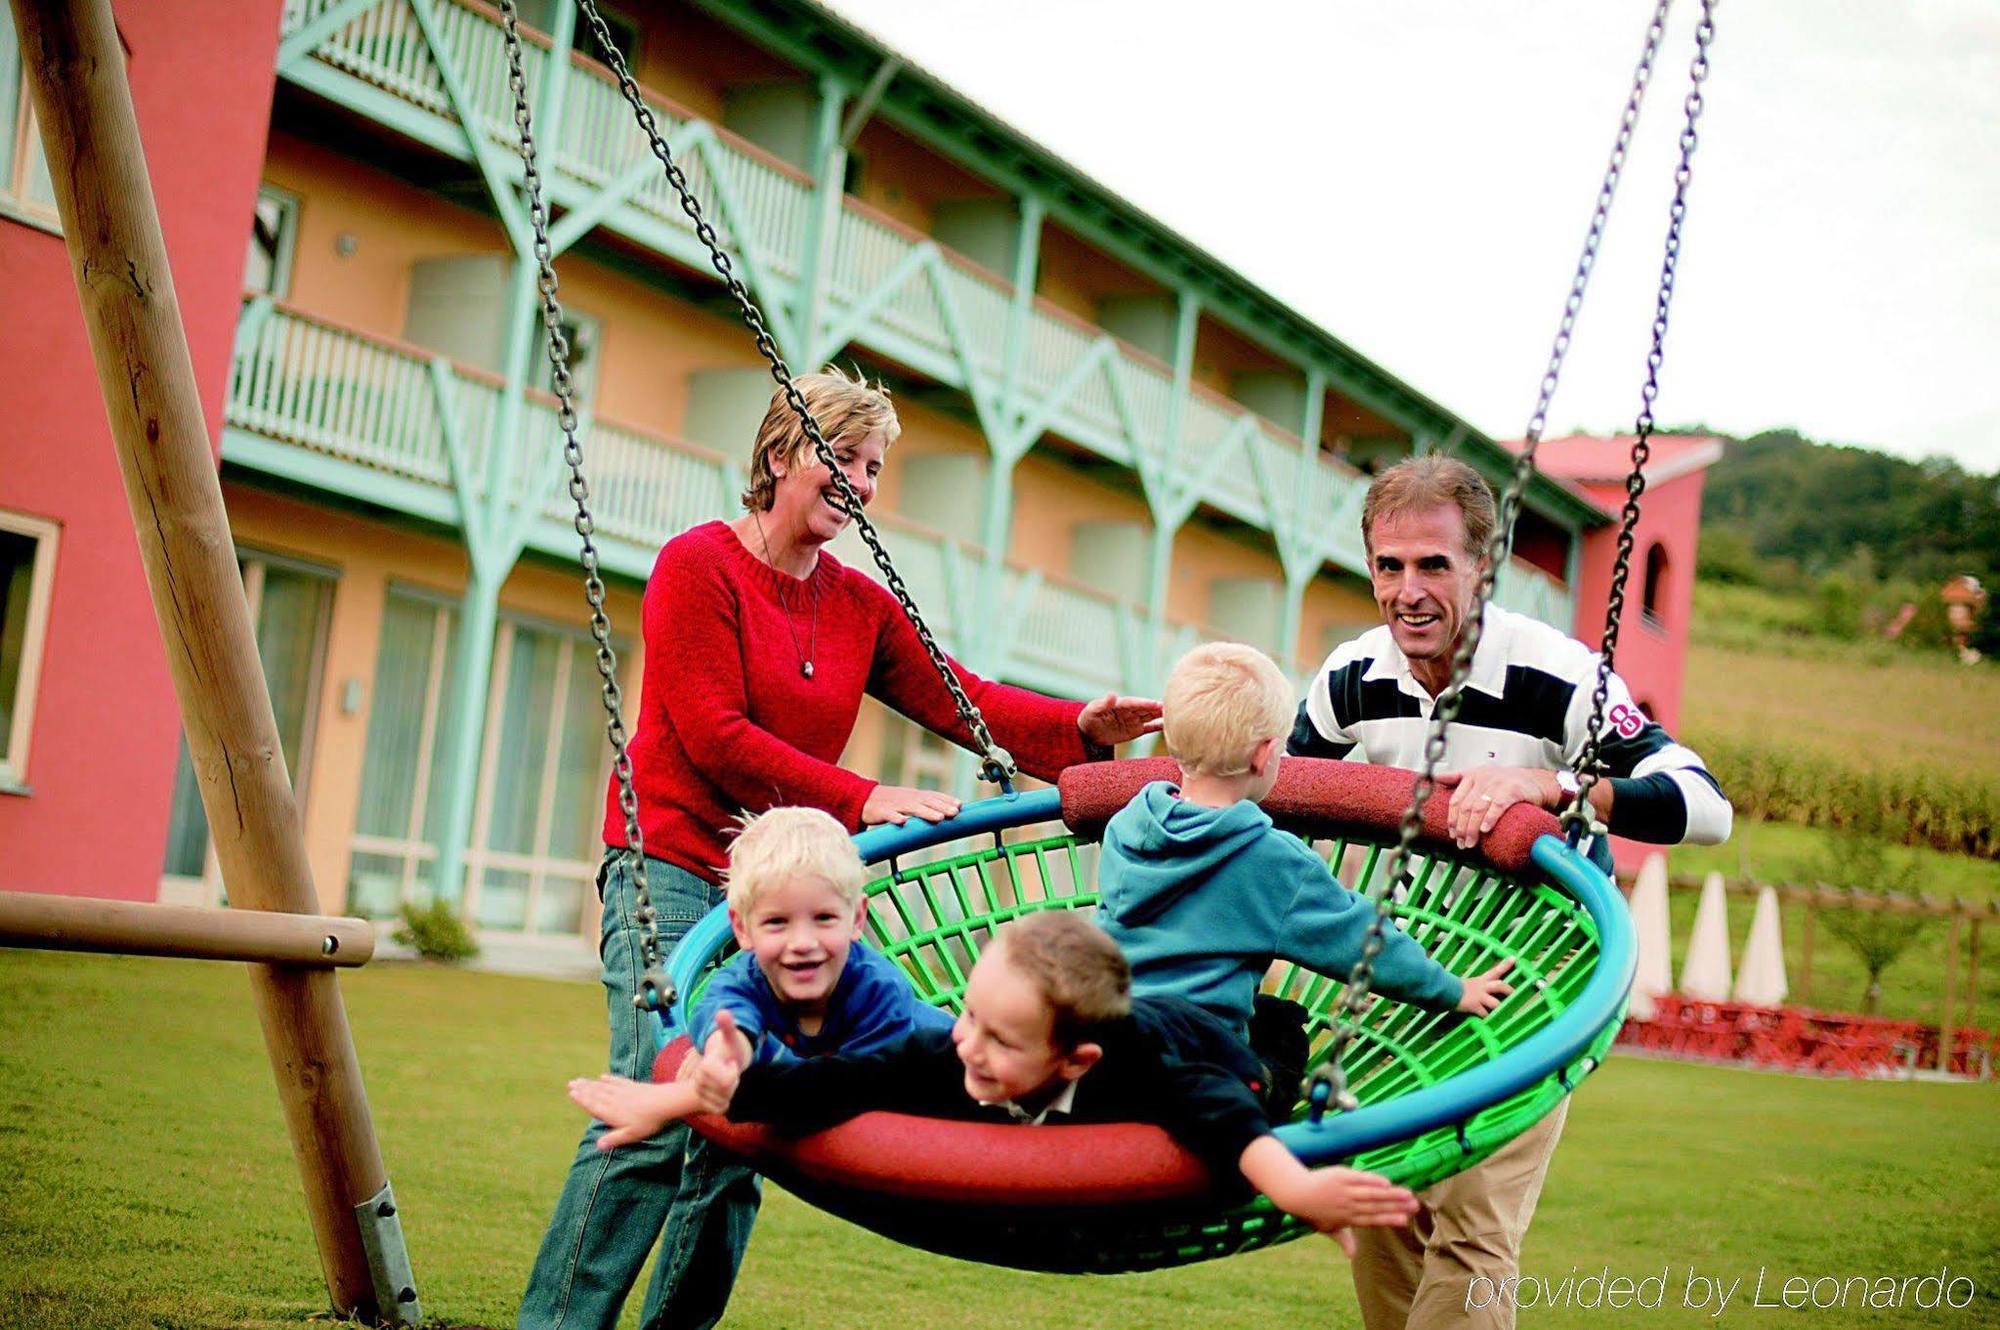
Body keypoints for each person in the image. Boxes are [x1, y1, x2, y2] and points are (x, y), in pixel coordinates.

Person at [519, 369, 1163, 1330]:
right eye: (846, 459)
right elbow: (714, 735)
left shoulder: (859, 604)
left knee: (744, 1131)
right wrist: (863, 799)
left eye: (873, 469)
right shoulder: (697, 567)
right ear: (781, 456)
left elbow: (962, 695)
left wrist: (1080, 724)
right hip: (674, 865)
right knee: (668, 1101)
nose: (862, 484)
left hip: (785, 888)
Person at [1289, 454, 1730, 1330]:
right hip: (1413, 964)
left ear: (1483, 569)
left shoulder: (1558, 674)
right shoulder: (1352, 678)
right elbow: (1284, 805)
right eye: (1389, 566)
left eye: (1434, 566)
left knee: (1474, 1223)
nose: (1408, 592)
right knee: (1387, 1207)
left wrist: (1563, 789)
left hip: (1541, 975)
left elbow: (1707, 807)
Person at [569, 912, 1425, 1255]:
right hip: (1131, 1016)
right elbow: (826, 1088)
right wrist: (691, 1094)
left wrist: (1300, 1190)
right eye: (968, 1017)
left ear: (1073, 1063)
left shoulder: (1137, 1069)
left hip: (1216, 1051)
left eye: (1000, 1039)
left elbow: (1229, 1121)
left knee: (1268, 1056)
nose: (967, 1047)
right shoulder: (951, 1050)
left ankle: (1271, 1013)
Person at [1095, 641, 1515, 1114]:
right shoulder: (1268, 858)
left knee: (1266, 1014)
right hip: (1198, 1076)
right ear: (1267, 755)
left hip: (1111, 1052)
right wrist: (1454, 990)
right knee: (1286, 1028)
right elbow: (1363, 941)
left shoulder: (1128, 826)